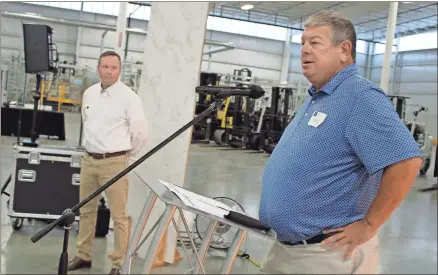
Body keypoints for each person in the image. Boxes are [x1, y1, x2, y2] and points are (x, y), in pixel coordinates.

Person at [258, 11, 423, 274]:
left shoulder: (360, 97)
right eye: (302, 42)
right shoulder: (319, 96)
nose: (304, 50)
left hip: (326, 254)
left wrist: (370, 224)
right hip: (289, 251)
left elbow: (406, 160)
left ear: (344, 50)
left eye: (315, 43)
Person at [68, 51, 148, 275]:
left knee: (119, 216)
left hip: (114, 163)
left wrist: (125, 159)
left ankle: (118, 265)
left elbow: (141, 134)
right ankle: (83, 256)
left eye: (114, 67)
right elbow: (87, 122)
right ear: (98, 68)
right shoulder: (90, 94)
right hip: (89, 160)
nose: (109, 71)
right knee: (86, 211)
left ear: (119, 70)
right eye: (105, 67)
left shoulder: (129, 98)